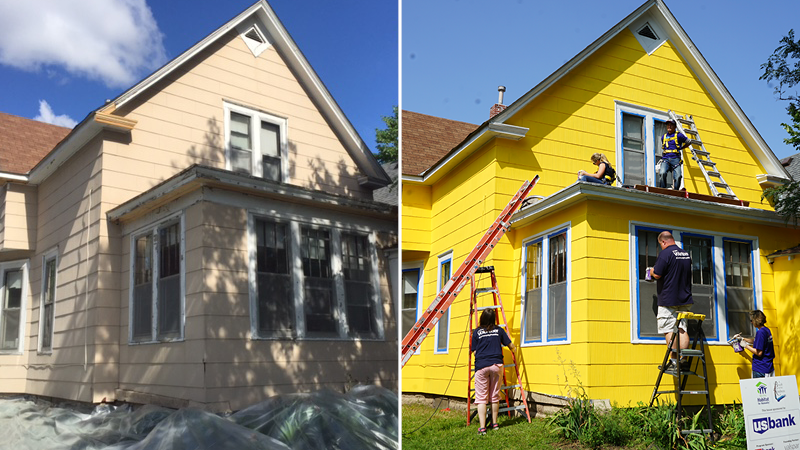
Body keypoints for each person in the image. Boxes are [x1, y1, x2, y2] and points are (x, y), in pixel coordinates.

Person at [646, 231, 693, 371]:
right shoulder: (686, 254)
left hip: (668, 299)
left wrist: (651, 271)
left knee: (668, 328)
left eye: (661, 244)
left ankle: (673, 362)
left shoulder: (665, 254)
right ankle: (683, 360)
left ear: (663, 242)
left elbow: (658, 274)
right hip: (684, 299)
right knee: (682, 328)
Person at [471, 308, 515, 435]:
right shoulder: (499, 330)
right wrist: (515, 351)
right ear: (494, 319)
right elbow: (510, 346)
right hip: (496, 365)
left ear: (482, 318)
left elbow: (474, 351)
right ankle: (495, 423)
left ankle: (482, 427)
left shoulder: (477, 332)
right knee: (494, 395)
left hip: (482, 366)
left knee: (481, 397)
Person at [734, 310, 775, 378]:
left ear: (756, 320)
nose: (751, 322)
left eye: (751, 320)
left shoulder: (760, 333)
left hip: (761, 369)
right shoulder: (766, 330)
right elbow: (757, 341)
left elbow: (759, 353)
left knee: (759, 388)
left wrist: (746, 346)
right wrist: (742, 338)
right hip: (768, 367)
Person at [658, 119, 687, 190]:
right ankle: (662, 189)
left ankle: (676, 190)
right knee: (662, 173)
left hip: (676, 159)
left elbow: (688, 141)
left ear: (675, 126)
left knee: (678, 176)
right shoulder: (663, 137)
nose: (669, 126)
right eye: (668, 125)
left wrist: (682, 147)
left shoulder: (679, 135)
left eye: (671, 125)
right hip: (666, 159)